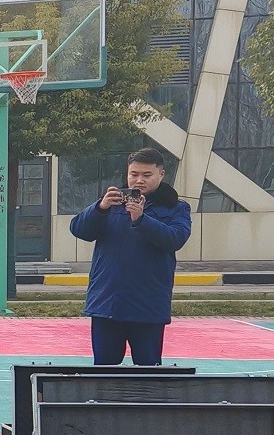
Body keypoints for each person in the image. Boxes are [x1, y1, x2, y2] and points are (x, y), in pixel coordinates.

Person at [69, 147, 192, 366]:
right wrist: (100, 207)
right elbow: (79, 229)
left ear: (161, 174)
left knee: (148, 371)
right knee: (104, 371)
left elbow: (175, 238)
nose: (139, 180)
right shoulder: (111, 203)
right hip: (107, 303)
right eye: (134, 174)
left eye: (147, 175)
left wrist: (141, 219)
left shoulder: (175, 207)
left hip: (148, 306)